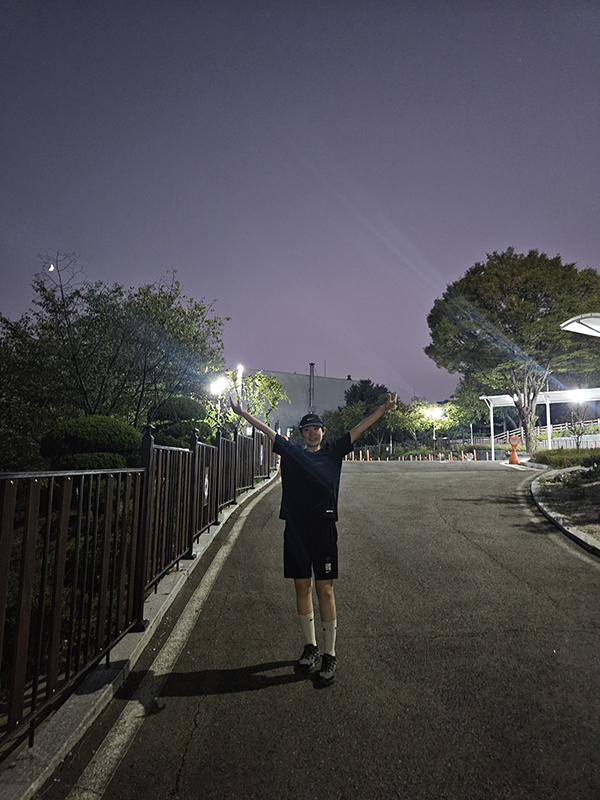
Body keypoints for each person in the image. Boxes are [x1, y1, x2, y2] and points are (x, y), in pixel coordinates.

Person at [229, 392, 397, 685]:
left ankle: (330, 652)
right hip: (296, 528)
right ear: (301, 433)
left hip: (323, 527)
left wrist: (383, 409)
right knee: (302, 586)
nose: (311, 433)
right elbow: (268, 432)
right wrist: (243, 414)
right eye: (307, 429)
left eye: (316, 429)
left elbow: (358, 429)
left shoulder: (332, 452)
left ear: (323, 431)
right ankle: (311, 646)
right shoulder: (292, 453)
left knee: (325, 589)